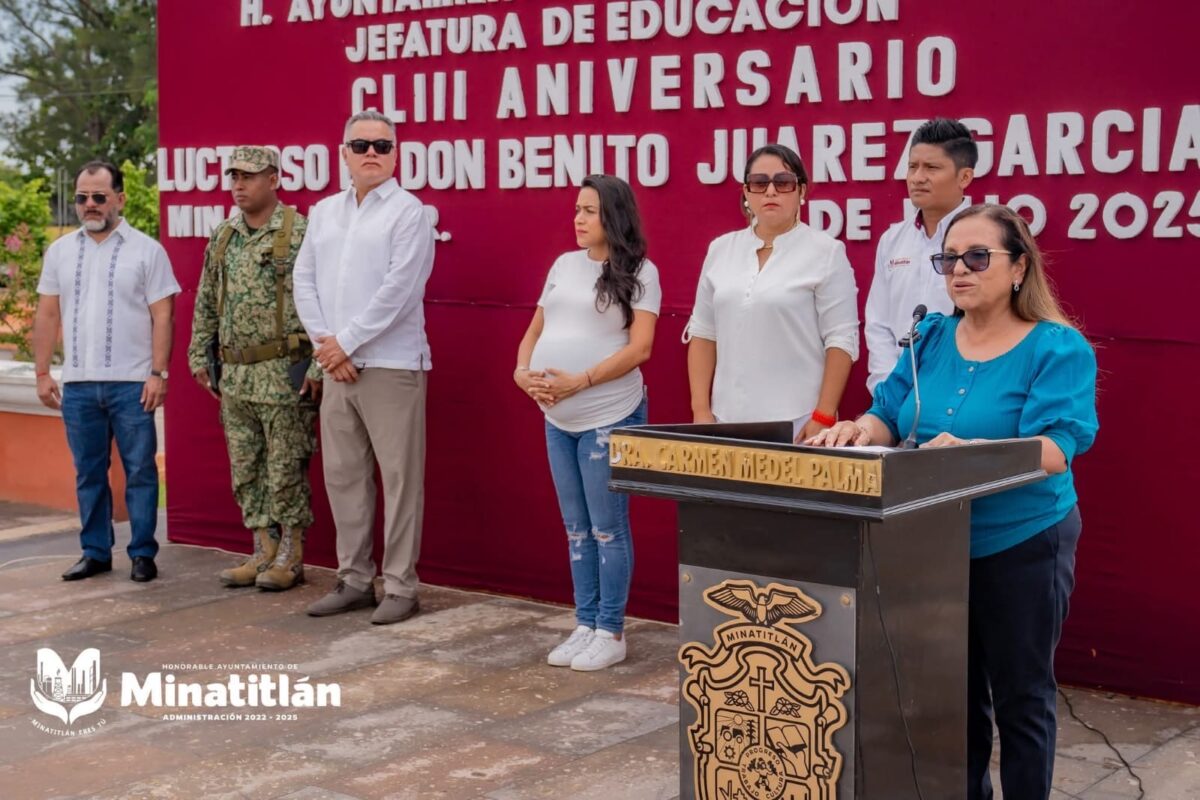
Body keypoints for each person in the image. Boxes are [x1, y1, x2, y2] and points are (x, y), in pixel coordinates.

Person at [808, 203, 1099, 800]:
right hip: (934, 543)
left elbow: (1057, 448)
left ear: (1019, 267)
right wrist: (858, 430)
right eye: (949, 259)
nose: (959, 270)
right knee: (952, 695)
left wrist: (971, 452)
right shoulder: (932, 335)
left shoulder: (1057, 347)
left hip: (1023, 542)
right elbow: (889, 413)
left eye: (977, 257)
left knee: (1021, 697)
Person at [293, 110, 436, 625]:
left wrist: (345, 343)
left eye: (382, 145)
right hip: (336, 366)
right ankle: (354, 580)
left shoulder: (409, 212)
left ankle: (400, 587)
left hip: (391, 365)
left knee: (400, 480)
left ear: (396, 154)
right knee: (344, 477)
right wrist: (327, 346)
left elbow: (400, 290)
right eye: (361, 145)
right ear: (344, 153)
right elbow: (303, 279)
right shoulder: (324, 212)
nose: (371, 153)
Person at [514, 174, 660, 671]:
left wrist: (582, 380)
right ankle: (586, 622)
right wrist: (521, 373)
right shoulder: (563, 265)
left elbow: (641, 349)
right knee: (576, 528)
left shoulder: (641, 271)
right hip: (557, 417)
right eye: (577, 209)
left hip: (609, 416)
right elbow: (535, 330)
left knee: (606, 529)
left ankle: (611, 630)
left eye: (589, 210)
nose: (578, 218)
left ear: (613, 216)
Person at [32, 160, 180, 583]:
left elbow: (163, 315)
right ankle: (95, 552)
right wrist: (42, 373)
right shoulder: (60, 251)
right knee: (89, 473)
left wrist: (158, 373)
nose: (90, 204)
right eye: (82, 198)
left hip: (132, 383)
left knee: (140, 471)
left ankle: (143, 553)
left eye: (99, 196)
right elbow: (47, 314)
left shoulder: (147, 250)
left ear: (120, 198)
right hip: (78, 385)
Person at [187, 146, 321, 592]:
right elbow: (207, 298)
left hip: (283, 374)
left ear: (274, 179)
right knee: (246, 469)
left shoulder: (300, 233)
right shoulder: (224, 235)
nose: (239, 185)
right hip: (236, 376)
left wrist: (319, 365)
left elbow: (326, 300)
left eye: (249, 176)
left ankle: (290, 557)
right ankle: (263, 549)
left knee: (285, 469)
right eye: (234, 177)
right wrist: (198, 354)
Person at [685, 143, 859, 441]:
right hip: (726, 420)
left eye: (783, 182)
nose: (770, 191)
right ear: (746, 192)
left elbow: (841, 340)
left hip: (799, 422)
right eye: (759, 183)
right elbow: (703, 333)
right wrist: (701, 411)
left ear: (801, 191)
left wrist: (823, 414)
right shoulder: (721, 250)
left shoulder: (826, 252)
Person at [864, 117, 977, 394]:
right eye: (912, 167)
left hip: (963, 391)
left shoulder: (986, 238)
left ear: (964, 177)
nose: (917, 178)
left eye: (932, 168)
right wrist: (886, 388)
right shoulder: (892, 240)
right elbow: (878, 324)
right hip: (896, 395)